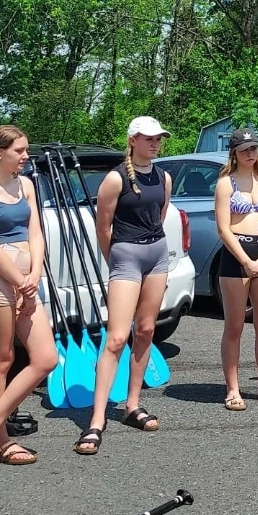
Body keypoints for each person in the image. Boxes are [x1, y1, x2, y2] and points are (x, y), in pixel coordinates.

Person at [0, 126, 60, 473]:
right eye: (19, 150)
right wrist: (20, 281)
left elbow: (36, 233)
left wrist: (34, 276)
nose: (26, 156)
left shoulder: (27, 185)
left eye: (26, 150)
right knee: (1, 359)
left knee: (46, 358)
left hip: (28, 281)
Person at [74, 115, 172, 454]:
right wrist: (114, 261)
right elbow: (103, 228)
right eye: (148, 138)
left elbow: (159, 217)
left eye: (158, 138)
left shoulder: (164, 177)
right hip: (125, 258)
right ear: (132, 141)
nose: (155, 143)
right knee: (116, 338)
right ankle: (96, 420)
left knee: (145, 331)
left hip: (157, 257)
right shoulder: (114, 179)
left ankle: (132, 404)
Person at [213, 128, 258, 410]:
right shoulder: (225, 184)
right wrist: (245, 260)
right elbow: (222, 227)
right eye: (244, 150)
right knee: (234, 325)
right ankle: (233, 389)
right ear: (234, 153)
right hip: (235, 256)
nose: (249, 154)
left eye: (253, 148)